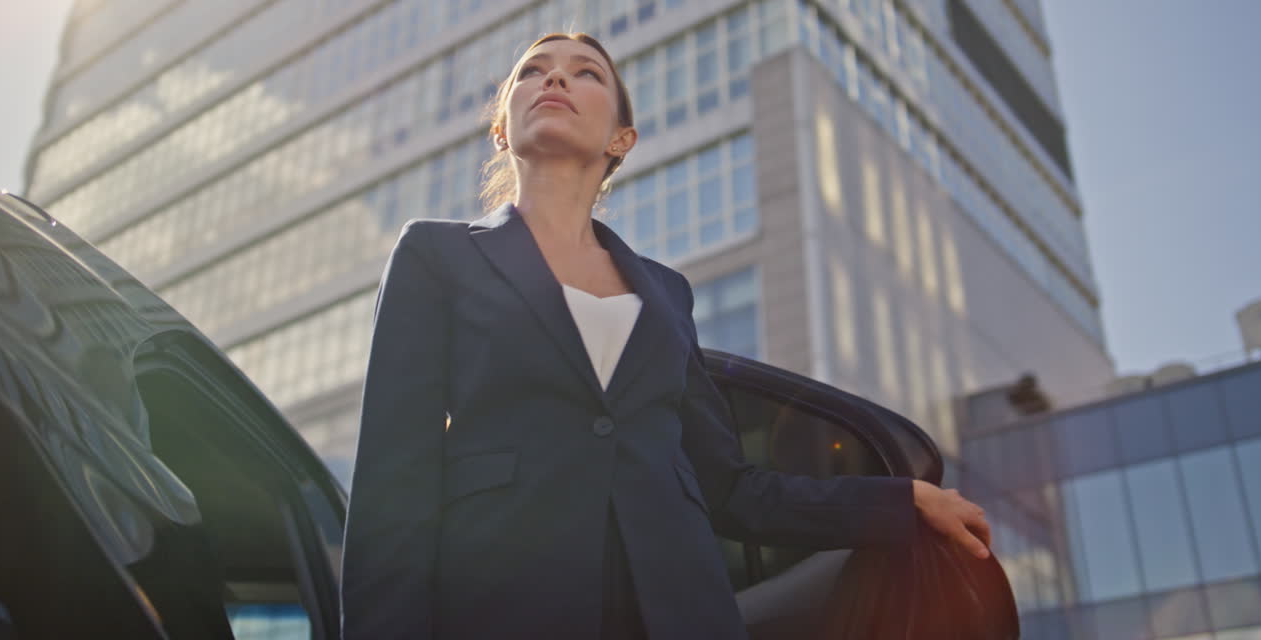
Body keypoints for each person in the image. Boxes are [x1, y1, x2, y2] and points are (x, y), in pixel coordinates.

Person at [339, 32, 992, 640]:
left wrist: (902, 500)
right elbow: (392, 492)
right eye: (532, 72)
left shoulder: (666, 292)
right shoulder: (437, 255)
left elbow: (731, 488)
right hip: (504, 606)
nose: (554, 79)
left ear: (621, 138)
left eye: (584, 72)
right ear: (502, 129)